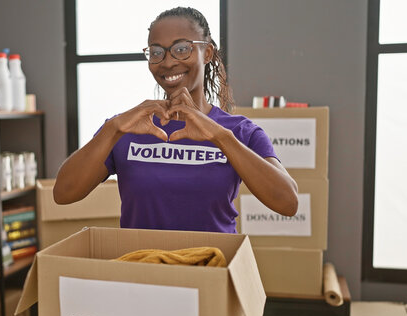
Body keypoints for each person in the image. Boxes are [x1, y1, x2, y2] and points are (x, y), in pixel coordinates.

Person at [54, 6, 298, 233]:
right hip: (141, 272)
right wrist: (112, 129)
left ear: (208, 53)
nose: (168, 62)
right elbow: (63, 193)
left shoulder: (240, 132)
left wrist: (221, 137)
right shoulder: (125, 129)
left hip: (211, 272)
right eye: (157, 52)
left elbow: (288, 202)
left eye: (182, 49)